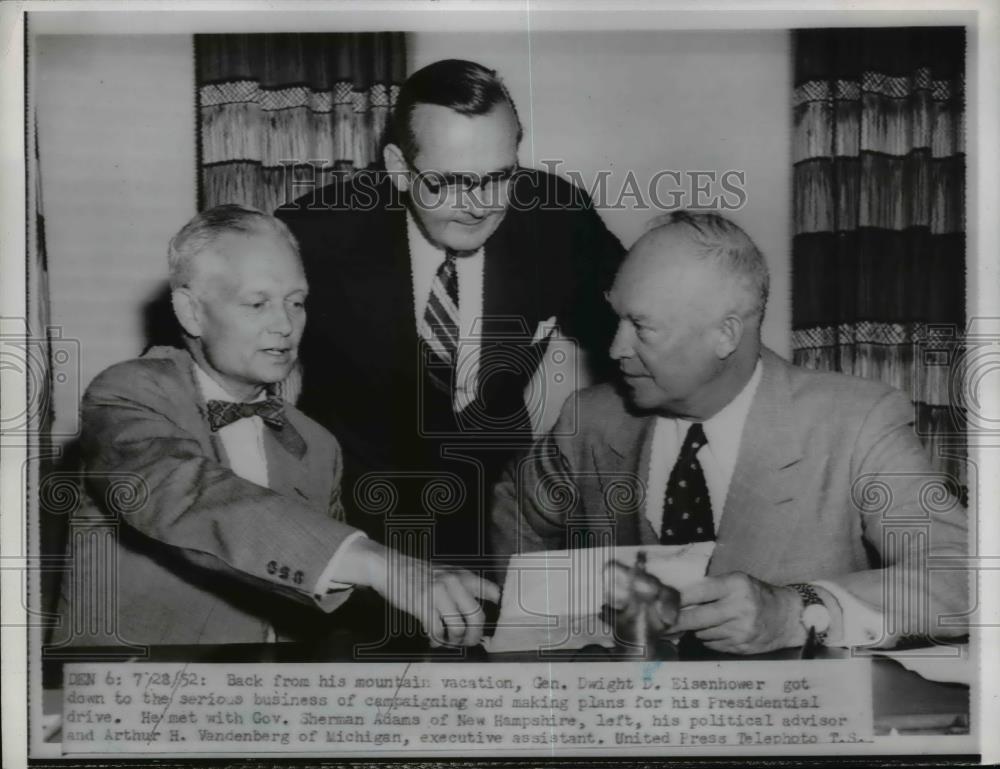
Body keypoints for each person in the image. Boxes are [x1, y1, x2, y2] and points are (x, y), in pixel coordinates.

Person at [490, 210, 968, 654]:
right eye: (618, 318)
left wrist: (800, 609)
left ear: (726, 334)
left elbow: (961, 574)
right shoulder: (590, 419)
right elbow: (516, 510)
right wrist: (543, 636)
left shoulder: (857, 420)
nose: (616, 348)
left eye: (642, 328)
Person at [51, 205, 497, 649]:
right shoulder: (129, 392)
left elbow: (319, 580)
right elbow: (184, 494)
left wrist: (433, 607)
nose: (285, 326)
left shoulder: (317, 445)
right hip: (132, 697)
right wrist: (385, 567)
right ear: (190, 312)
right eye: (257, 303)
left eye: (296, 302)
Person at [276, 59, 624, 557]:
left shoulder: (556, 220)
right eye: (449, 181)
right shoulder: (315, 233)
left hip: (502, 508)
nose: (479, 204)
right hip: (355, 518)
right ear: (398, 168)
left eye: (498, 177)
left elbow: (639, 326)